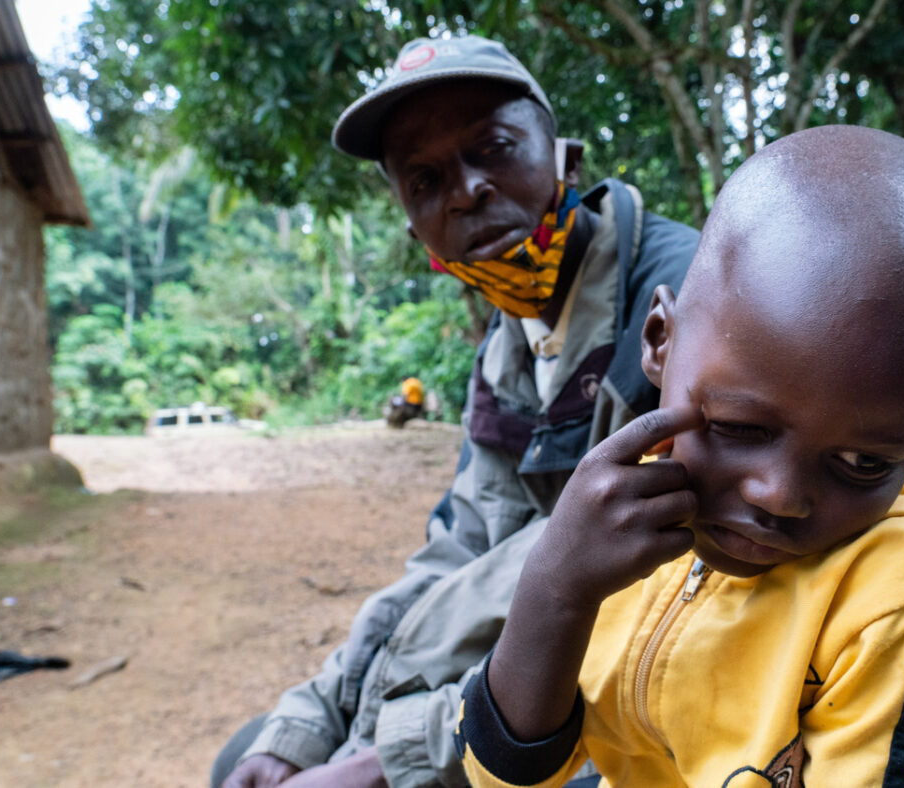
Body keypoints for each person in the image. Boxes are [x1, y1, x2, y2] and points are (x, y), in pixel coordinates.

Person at [456, 125, 904, 787]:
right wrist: (554, 591)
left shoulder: (902, 611)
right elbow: (505, 778)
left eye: (864, 463)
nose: (780, 495)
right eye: (740, 427)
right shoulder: (629, 524)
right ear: (660, 340)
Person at [214, 35, 699, 788]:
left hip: (642, 700)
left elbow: (657, 606)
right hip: (514, 685)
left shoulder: (681, 311)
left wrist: (388, 760)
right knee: (248, 757)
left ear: (566, 160)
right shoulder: (504, 353)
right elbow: (460, 547)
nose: (467, 190)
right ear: (416, 229)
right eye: (426, 179)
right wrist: (309, 722)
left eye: (495, 149)